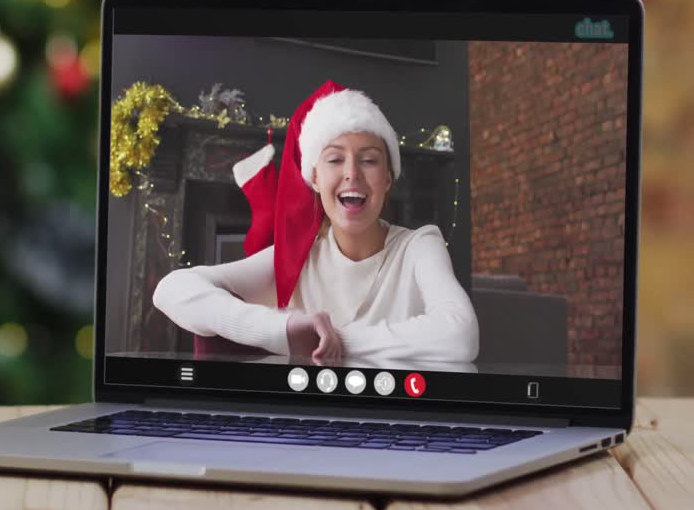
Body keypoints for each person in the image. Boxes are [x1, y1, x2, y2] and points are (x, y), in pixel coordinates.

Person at [153, 81, 479, 365]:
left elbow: (460, 335)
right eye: (335, 159)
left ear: (388, 178)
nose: (352, 173)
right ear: (315, 179)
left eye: (369, 160)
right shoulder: (298, 260)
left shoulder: (419, 246)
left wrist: (332, 340)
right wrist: (284, 329)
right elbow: (171, 290)